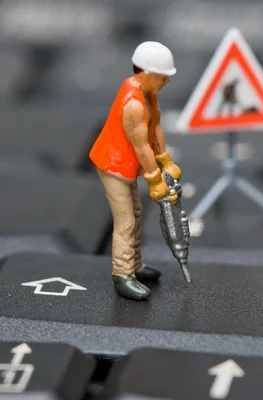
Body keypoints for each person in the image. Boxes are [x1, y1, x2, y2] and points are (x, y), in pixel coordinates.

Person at [89, 41, 181, 301]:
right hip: (113, 165)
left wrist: (165, 160)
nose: (166, 81)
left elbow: (156, 130)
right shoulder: (133, 104)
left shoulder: (150, 94)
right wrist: (154, 179)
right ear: (146, 73)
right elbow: (141, 147)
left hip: (127, 165)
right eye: (163, 76)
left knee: (137, 214)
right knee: (126, 221)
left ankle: (135, 266)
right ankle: (122, 274)